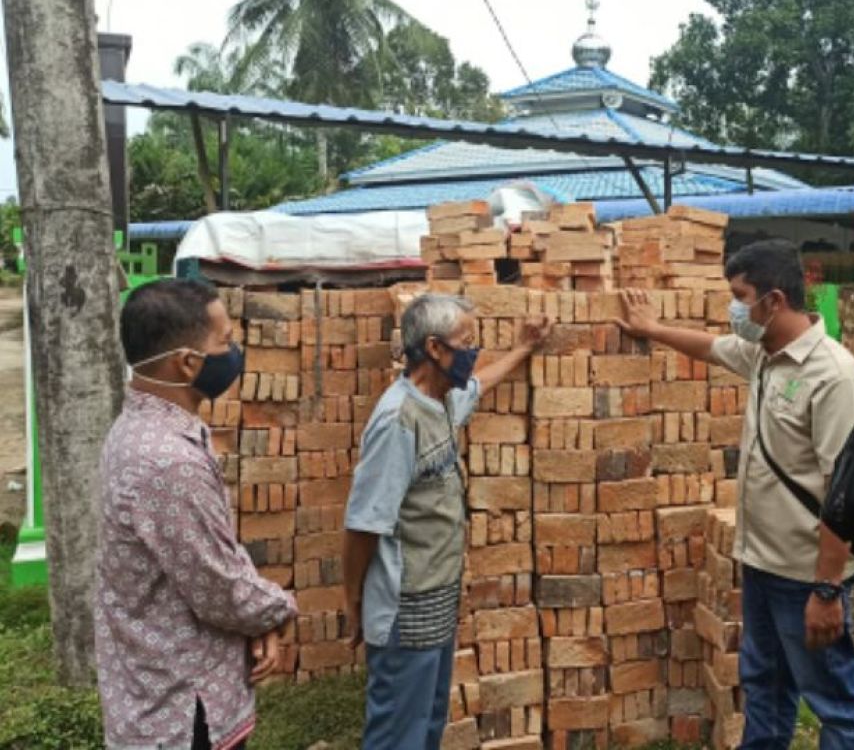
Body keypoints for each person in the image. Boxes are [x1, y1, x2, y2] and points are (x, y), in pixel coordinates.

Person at [619, 239, 854, 750]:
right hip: (761, 563)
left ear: (774, 300)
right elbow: (708, 347)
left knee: (834, 702)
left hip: (806, 574)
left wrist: (827, 590)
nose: (733, 309)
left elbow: (846, 496)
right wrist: (651, 329)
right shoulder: (764, 355)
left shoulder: (833, 375)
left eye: (739, 296)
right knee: (764, 686)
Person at [97, 279, 297, 750]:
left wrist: (255, 620)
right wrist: (277, 611)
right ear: (187, 362)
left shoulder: (146, 430)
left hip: (173, 685)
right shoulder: (166, 462)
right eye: (225, 341)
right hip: (182, 711)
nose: (234, 352)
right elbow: (218, 588)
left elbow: (213, 551)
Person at [343, 294, 549, 750]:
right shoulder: (398, 419)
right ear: (435, 349)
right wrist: (354, 599)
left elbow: (479, 384)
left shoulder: (441, 400)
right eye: (467, 342)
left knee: (428, 720)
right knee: (399, 731)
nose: (473, 351)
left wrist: (522, 349)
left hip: (437, 595)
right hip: (405, 604)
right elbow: (363, 523)